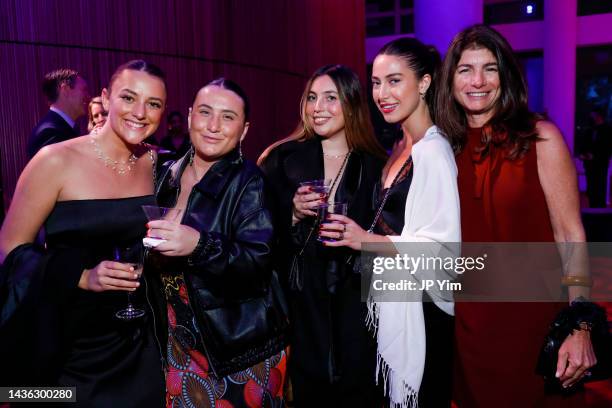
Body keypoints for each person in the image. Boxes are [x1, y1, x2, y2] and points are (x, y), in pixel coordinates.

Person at [435, 24, 595, 407]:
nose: (478, 81)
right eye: (465, 70)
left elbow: (570, 234)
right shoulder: (441, 149)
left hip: (534, 324)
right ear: (450, 80)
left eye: (490, 68)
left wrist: (581, 324)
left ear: (505, 76)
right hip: (469, 328)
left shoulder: (540, 137)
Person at [0, 60, 167, 407]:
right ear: (105, 99)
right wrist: (80, 277)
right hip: (70, 343)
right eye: (128, 98)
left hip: (139, 339)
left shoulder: (155, 164)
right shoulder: (54, 161)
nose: (140, 112)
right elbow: (9, 247)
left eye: (153, 104)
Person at [319, 39, 460, 407]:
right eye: (377, 82)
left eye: (394, 81)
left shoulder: (434, 151)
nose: (382, 93)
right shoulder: (400, 144)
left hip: (424, 313)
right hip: (389, 301)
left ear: (425, 83)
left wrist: (363, 239)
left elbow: (443, 249)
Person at [145, 78, 289, 407]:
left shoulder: (250, 182)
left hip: (237, 348)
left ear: (244, 129)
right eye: (205, 112)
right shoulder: (165, 175)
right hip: (178, 340)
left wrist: (199, 244)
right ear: (191, 115)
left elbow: (258, 262)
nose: (213, 126)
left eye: (227, 117)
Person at [259, 64, 387, 407]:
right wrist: (292, 213)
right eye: (312, 98)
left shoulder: (378, 165)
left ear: (351, 104)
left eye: (331, 98)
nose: (319, 108)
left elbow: (393, 237)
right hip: (302, 306)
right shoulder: (281, 160)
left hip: (358, 307)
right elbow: (256, 236)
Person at [27, 68, 91, 158]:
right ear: (65, 90)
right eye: (84, 90)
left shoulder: (63, 128)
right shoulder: (49, 133)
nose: (88, 96)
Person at [579, 109, 612, 208]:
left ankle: (600, 210)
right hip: (589, 165)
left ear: (598, 116)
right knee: (591, 188)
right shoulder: (590, 129)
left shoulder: (608, 130)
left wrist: (595, 156)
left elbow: (608, 148)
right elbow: (584, 144)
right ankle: (592, 208)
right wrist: (583, 154)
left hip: (600, 164)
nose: (591, 117)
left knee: (600, 187)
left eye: (593, 114)